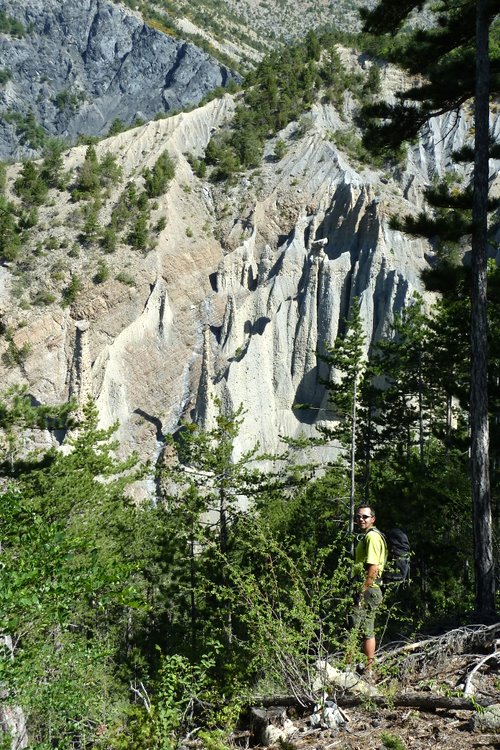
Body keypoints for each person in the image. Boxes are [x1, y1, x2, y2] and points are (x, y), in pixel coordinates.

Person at [348, 504, 387, 674]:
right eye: (358, 517)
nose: (361, 520)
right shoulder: (371, 536)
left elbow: (373, 567)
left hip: (368, 589)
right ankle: (367, 669)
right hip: (371, 588)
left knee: (354, 628)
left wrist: (362, 591)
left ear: (373, 519)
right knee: (365, 629)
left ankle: (354, 669)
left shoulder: (371, 538)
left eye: (365, 516)